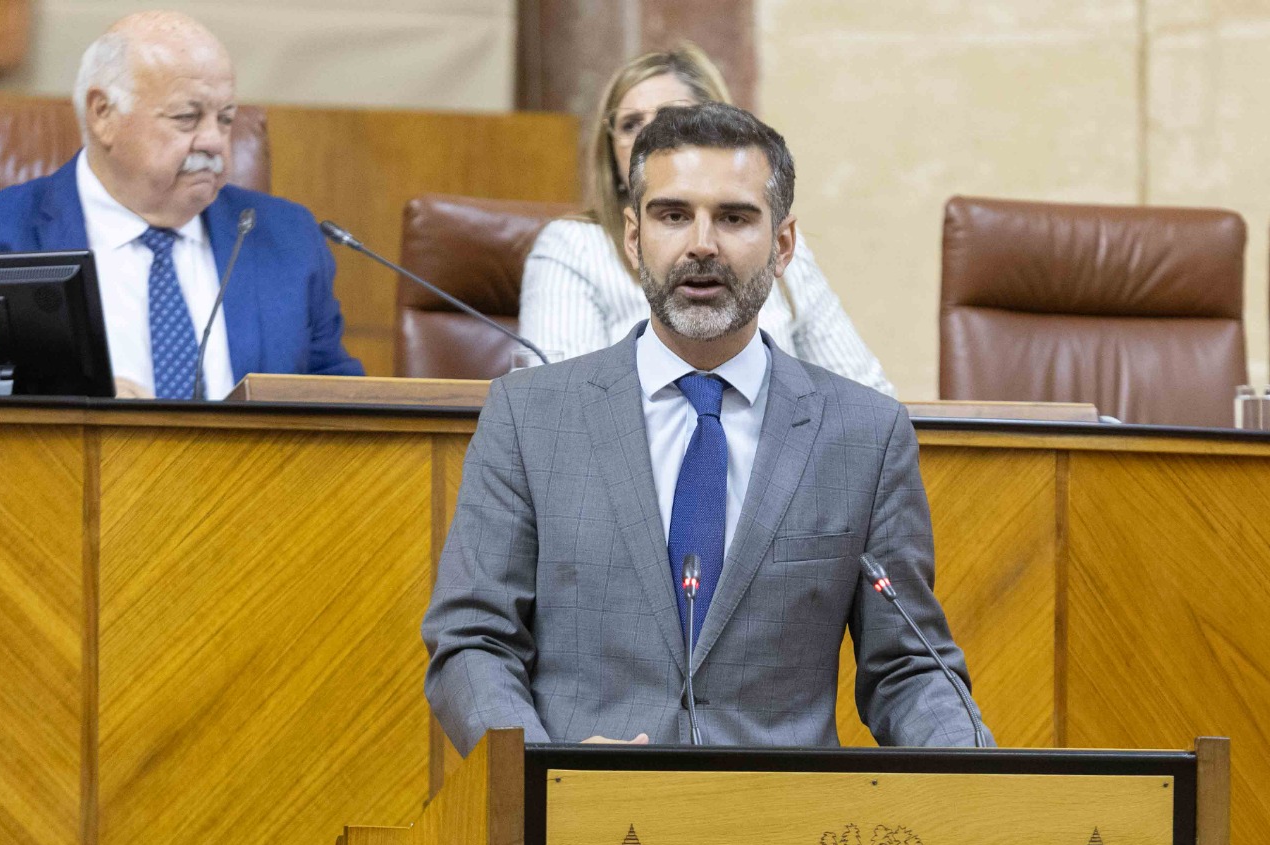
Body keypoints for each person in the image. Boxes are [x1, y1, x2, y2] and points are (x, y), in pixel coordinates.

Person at [424, 102, 989, 752]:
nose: (701, 243)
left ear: (783, 244)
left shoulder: (863, 434)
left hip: (785, 835)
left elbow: (910, 668)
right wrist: (541, 774)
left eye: (734, 217)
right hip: (579, 827)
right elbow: (473, 640)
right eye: (673, 215)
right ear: (633, 238)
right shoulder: (530, 418)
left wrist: (981, 782)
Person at [0, 11, 361, 398]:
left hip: (253, 478)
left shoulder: (288, 238)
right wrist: (73, 407)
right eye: (187, 117)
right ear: (103, 114)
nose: (214, 140)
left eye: (226, 118)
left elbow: (339, 402)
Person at [519, 45, 895, 398]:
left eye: (672, 119)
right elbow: (559, 406)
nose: (649, 139)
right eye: (631, 124)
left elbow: (867, 397)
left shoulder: (771, 244)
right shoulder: (574, 245)